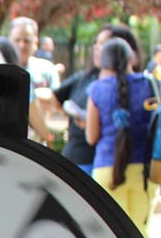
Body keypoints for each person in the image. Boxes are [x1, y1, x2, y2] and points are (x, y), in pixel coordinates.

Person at [85, 36, 159, 238]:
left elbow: (91, 137)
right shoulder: (148, 84)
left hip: (107, 170)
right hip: (144, 171)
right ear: (131, 58)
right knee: (141, 237)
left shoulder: (97, 90)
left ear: (103, 62)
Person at [52, 24, 141, 175]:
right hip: (77, 161)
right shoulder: (84, 79)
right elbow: (53, 98)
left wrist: (93, 123)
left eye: (103, 43)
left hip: (113, 166)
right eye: (97, 43)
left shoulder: (136, 85)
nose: (97, 48)